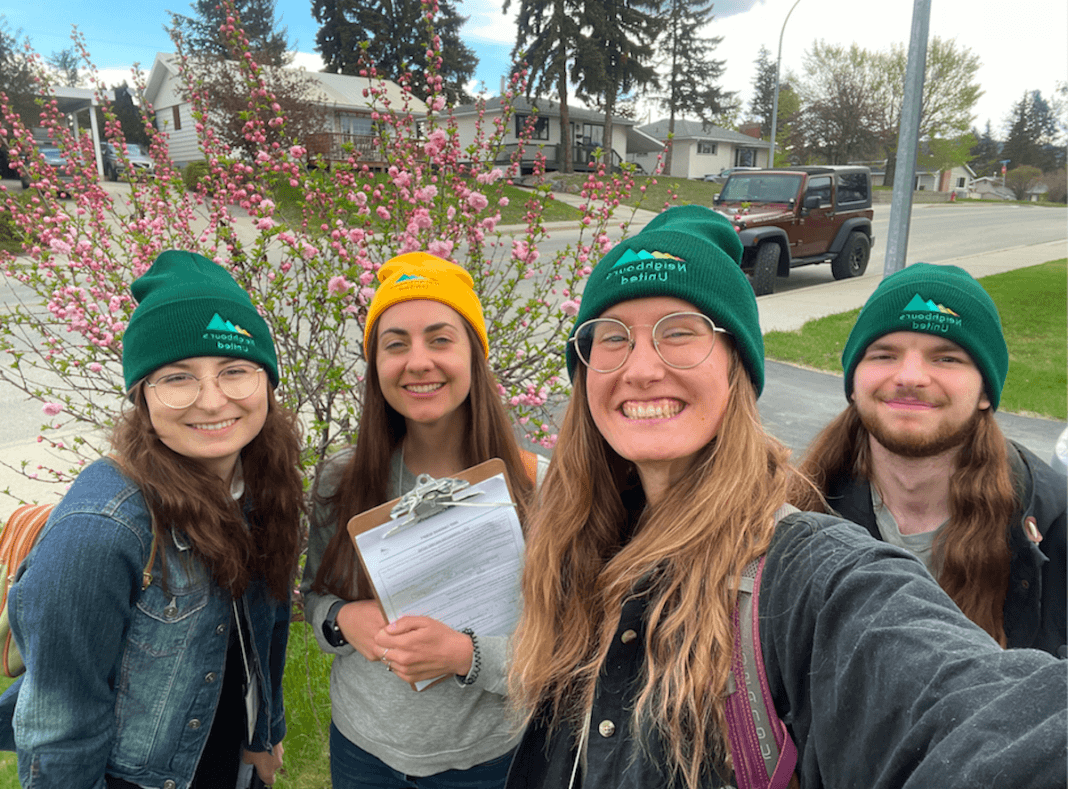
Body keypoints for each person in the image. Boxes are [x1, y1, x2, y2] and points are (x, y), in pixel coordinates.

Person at [506, 206, 1066, 789]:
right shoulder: (572, 545)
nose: (642, 367)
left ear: (737, 368)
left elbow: (987, 720)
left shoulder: (808, 570)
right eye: (611, 337)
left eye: (680, 332)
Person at [2, 250, 304, 788]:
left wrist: (264, 731)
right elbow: (58, 724)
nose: (212, 402)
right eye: (177, 378)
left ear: (267, 383)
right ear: (142, 396)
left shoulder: (263, 483)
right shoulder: (102, 529)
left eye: (235, 371)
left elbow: (266, 622)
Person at [303, 252, 548, 789]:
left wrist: (466, 655)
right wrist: (343, 621)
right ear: (376, 368)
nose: (418, 362)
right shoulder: (341, 481)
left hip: (489, 758)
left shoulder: (540, 488)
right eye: (396, 344)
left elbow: (568, 643)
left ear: (474, 356)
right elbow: (312, 597)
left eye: (440, 339)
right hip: (363, 749)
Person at [794, 263, 1065, 656]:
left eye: (946, 358)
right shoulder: (799, 515)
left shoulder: (1054, 530)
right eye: (885, 354)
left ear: (985, 392)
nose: (910, 377)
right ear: (854, 383)